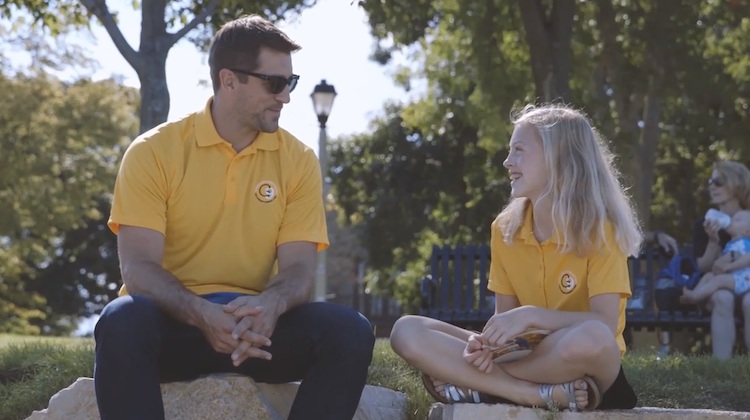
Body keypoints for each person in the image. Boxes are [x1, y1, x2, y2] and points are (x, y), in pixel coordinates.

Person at [93, 15, 375, 420]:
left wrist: (271, 305)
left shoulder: (298, 161)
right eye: (274, 83)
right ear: (229, 80)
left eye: (290, 83)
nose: (286, 97)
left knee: (350, 331)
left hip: (258, 332)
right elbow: (138, 268)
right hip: (174, 328)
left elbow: (298, 270)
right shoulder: (153, 151)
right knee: (121, 321)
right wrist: (201, 314)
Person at [390, 104, 641, 411]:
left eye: (519, 150)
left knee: (593, 337)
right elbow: (506, 334)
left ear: (558, 158)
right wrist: (485, 347)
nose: (508, 162)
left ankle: (478, 385)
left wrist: (531, 315)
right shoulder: (505, 230)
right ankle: (529, 394)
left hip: (585, 362)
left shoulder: (602, 229)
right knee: (407, 331)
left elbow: (604, 322)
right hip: (528, 357)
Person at [691, 160, 750, 359]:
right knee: (723, 298)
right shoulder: (703, 224)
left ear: (737, 185)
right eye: (710, 181)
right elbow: (704, 267)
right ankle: (722, 367)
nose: (711, 186)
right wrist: (713, 241)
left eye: (718, 181)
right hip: (718, 287)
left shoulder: (748, 221)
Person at [681, 210, 750, 304]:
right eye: (732, 218)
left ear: (747, 231)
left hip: (745, 279)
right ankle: (694, 294)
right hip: (735, 277)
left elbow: (748, 258)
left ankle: (694, 297)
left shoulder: (746, 243)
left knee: (718, 280)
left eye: (737, 220)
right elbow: (719, 262)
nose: (731, 220)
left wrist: (731, 266)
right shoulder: (730, 244)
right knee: (709, 276)